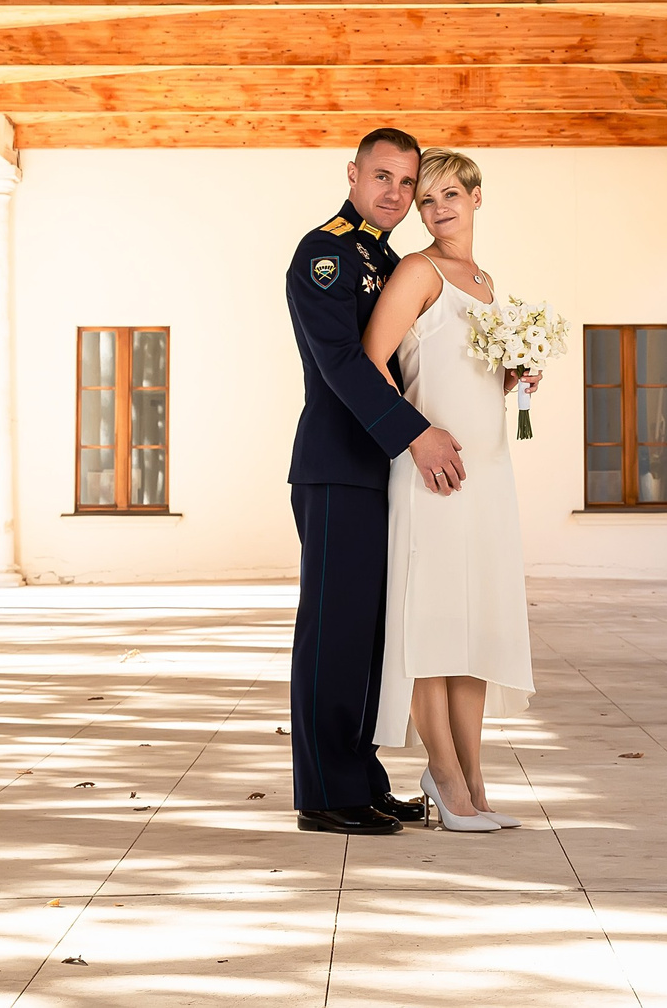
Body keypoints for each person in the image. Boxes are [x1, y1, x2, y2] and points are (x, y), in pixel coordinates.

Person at [283, 127, 471, 836]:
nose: (395, 192)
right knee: (334, 631)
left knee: (368, 636)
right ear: (354, 174)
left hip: (381, 469)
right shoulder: (325, 253)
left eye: (406, 181)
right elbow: (341, 360)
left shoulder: (388, 260)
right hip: (338, 466)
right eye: (382, 176)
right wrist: (415, 434)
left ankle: (360, 780)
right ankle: (326, 793)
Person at [362, 147, 535, 833]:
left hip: (487, 473)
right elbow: (372, 359)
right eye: (425, 200)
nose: (436, 210)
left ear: (476, 197)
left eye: (449, 196)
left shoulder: (486, 281)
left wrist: (516, 378)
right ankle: (444, 776)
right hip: (432, 475)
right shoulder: (416, 270)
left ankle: (474, 782)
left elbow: (473, 376)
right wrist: (415, 435)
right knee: (432, 623)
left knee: (474, 626)